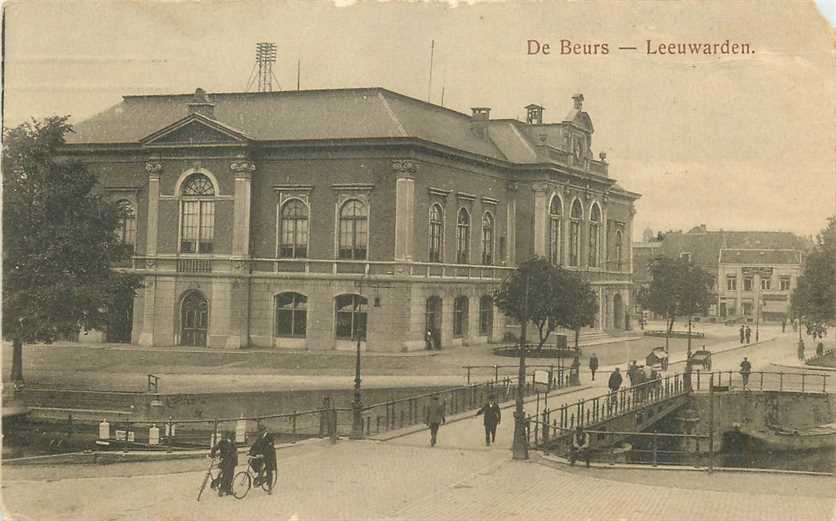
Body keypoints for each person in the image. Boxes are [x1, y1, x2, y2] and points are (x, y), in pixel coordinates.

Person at [249, 423, 277, 494]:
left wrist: (263, 454)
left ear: (264, 430)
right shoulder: (259, 437)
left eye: (261, 431)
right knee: (252, 462)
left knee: (269, 470)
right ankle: (259, 476)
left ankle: (270, 488)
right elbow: (254, 445)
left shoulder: (270, 437)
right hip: (261, 455)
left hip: (269, 456)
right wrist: (250, 452)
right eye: (259, 431)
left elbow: (269, 447)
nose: (260, 432)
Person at [210, 430, 238, 497]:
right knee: (227, 476)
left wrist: (213, 455)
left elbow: (214, 449)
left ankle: (227, 490)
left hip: (229, 462)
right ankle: (222, 490)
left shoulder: (226, 442)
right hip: (227, 462)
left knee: (228, 476)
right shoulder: (224, 442)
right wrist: (213, 455)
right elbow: (214, 449)